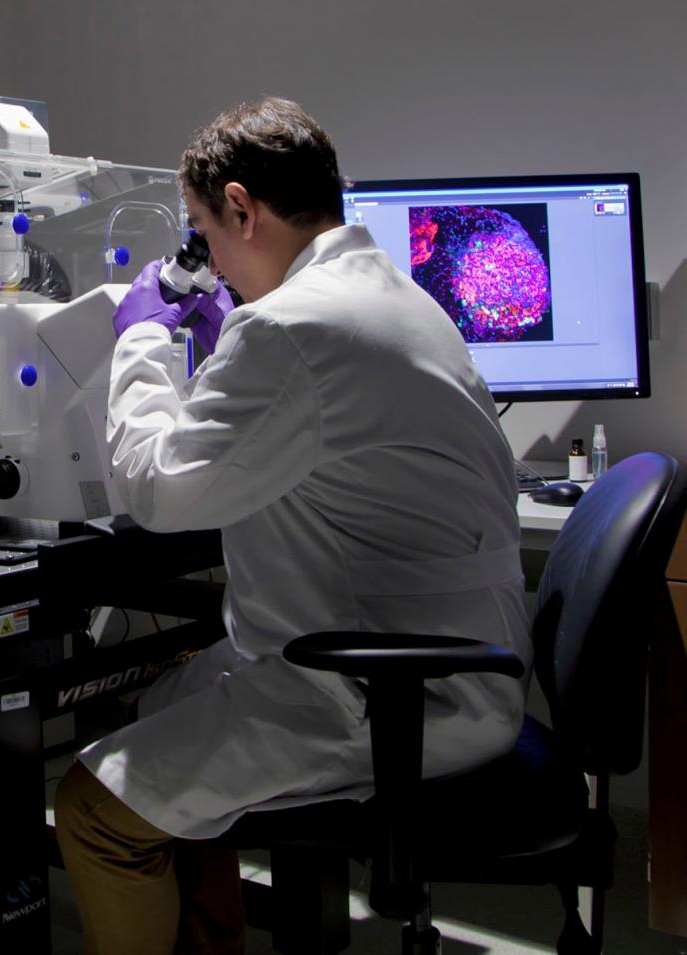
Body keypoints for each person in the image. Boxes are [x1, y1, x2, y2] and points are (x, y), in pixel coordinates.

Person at [54, 96, 531, 954]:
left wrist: (141, 344)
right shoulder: (390, 298)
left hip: (379, 687)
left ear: (241, 207)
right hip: (428, 659)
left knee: (92, 811)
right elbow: (301, 429)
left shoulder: (291, 327)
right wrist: (231, 333)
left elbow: (157, 494)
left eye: (204, 230)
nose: (212, 259)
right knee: (137, 709)